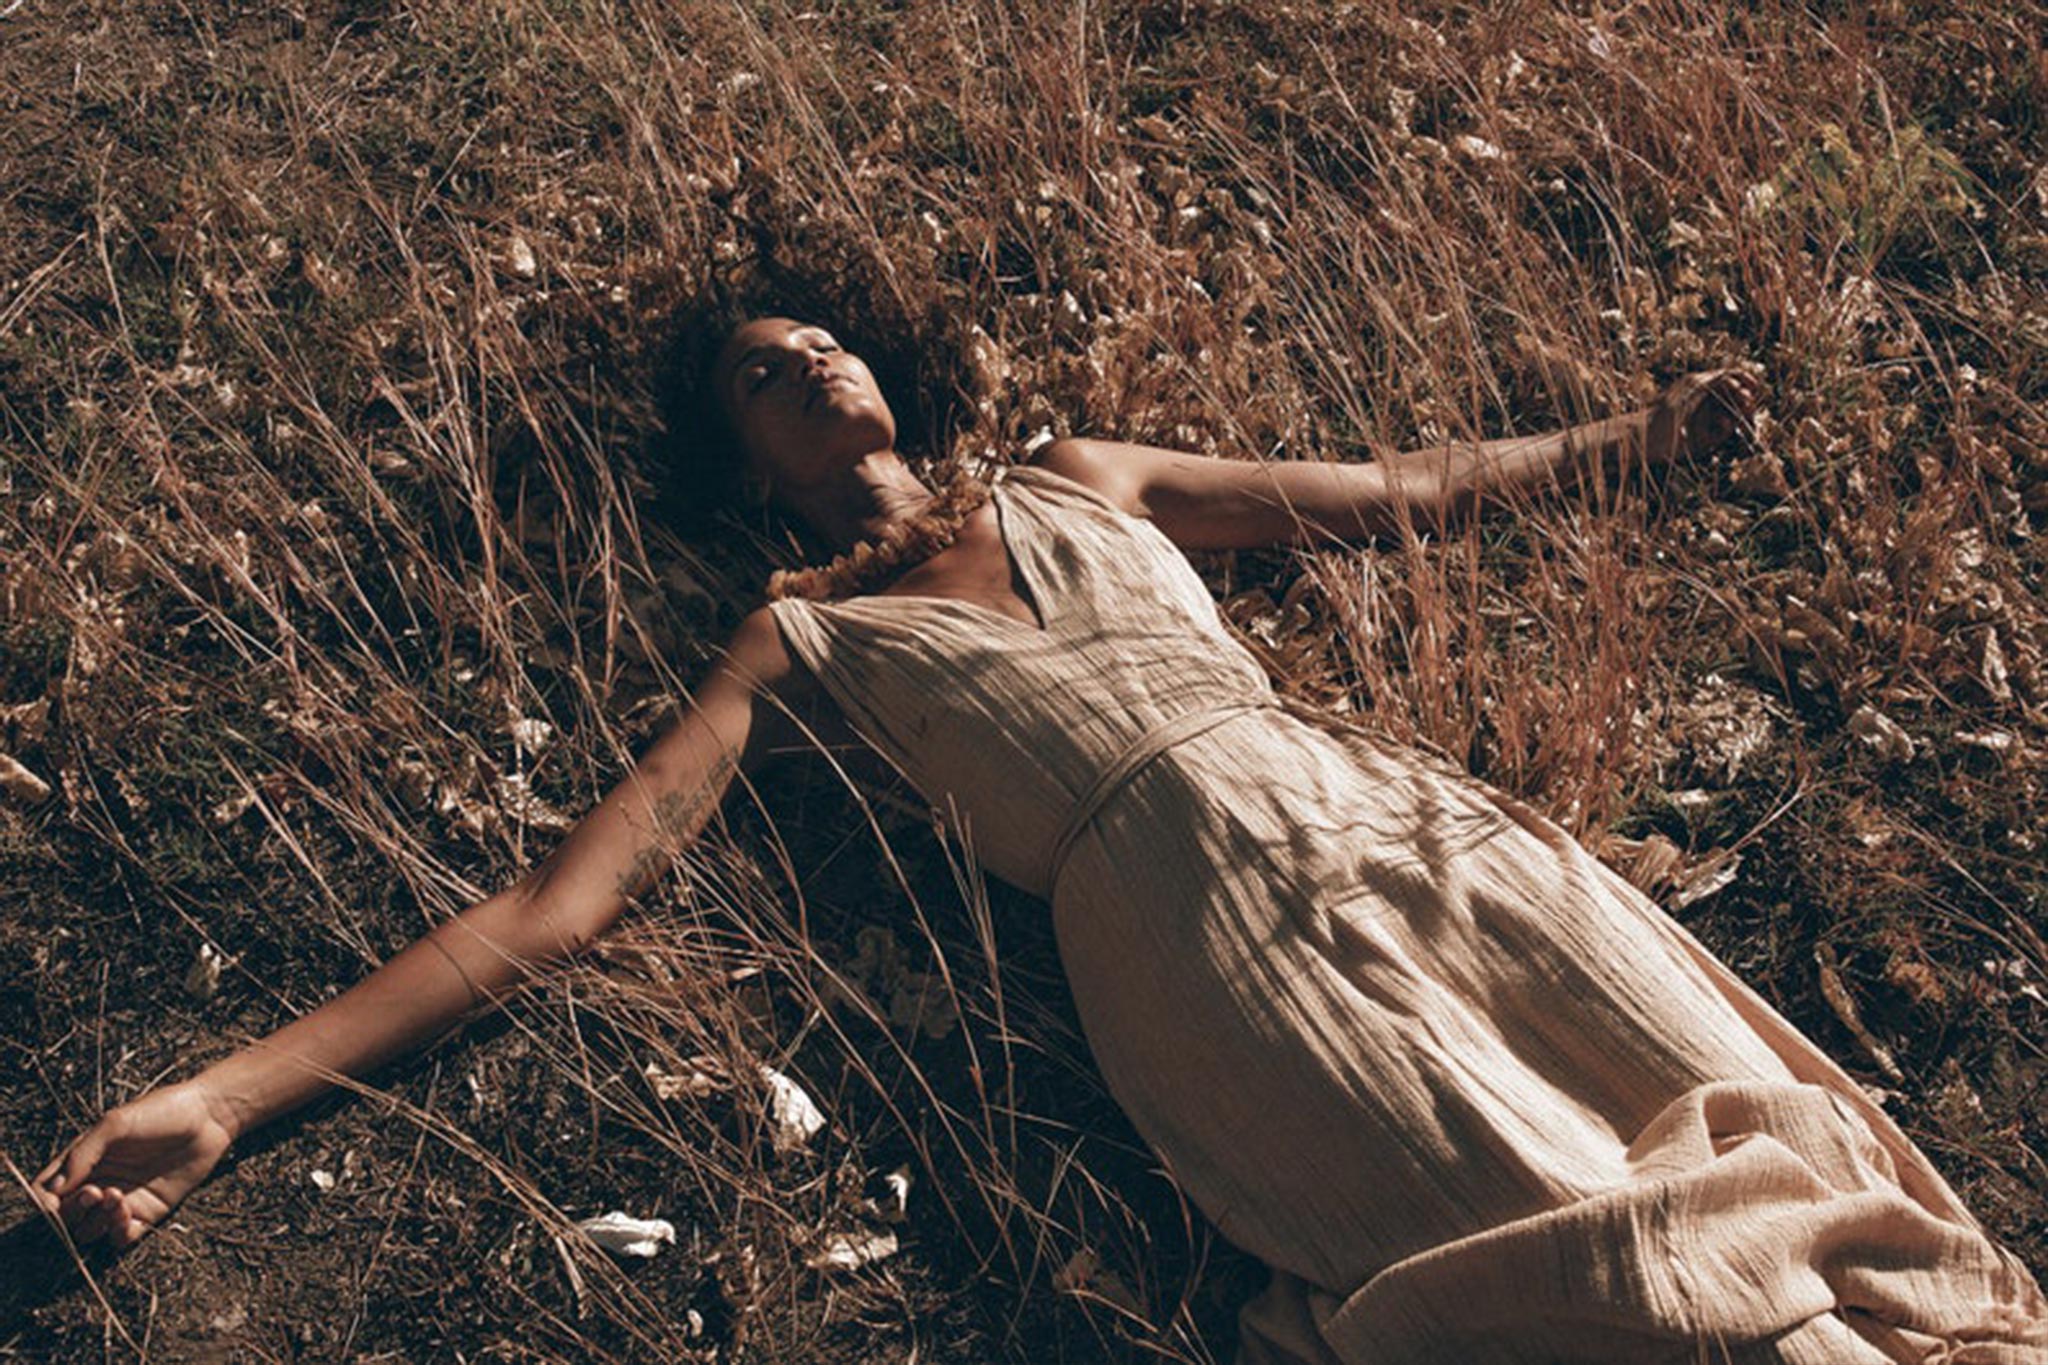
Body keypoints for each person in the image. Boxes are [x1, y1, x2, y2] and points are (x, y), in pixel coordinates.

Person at [37, 317, 2047, 1363]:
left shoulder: (1086, 471)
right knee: (1556, 1236)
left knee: (1749, 1117)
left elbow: (1395, 487)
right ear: (731, 460)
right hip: (1194, 945)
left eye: (819, 334)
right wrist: (223, 1094)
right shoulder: (803, 638)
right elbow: (562, 905)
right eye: (757, 370)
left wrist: (1641, 441)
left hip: (1416, 821)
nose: (806, 359)